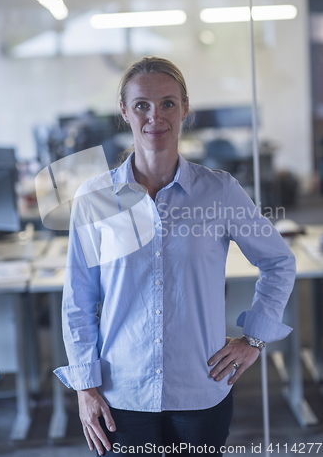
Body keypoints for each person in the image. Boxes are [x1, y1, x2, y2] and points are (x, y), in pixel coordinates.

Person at [54, 56, 296, 456]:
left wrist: (255, 338)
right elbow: (78, 301)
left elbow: (278, 261)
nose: (155, 117)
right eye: (141, 105)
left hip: (200, 390)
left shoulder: (218, 191)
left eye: (168, 103)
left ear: (185, 108)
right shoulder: (95, 198)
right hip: (121, 394)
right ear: (124, 112)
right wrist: (85, 385)